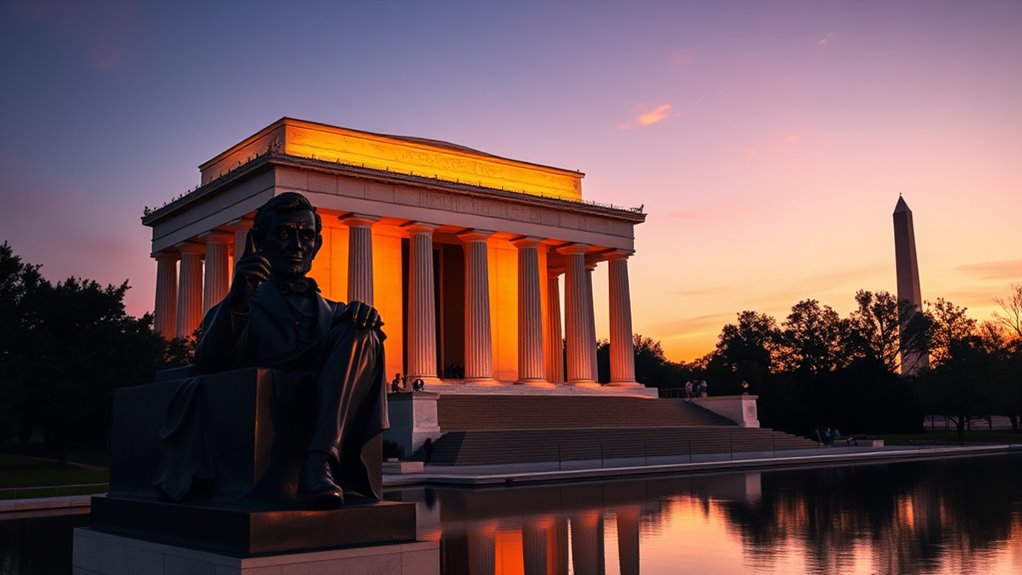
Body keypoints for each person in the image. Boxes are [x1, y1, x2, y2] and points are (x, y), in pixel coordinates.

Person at [194, 192, 387, 507]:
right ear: (259, 240)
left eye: (306, 236)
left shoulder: (338, 314)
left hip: (323, 393)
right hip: (271, 395)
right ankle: (318, 467)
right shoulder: (238, 306)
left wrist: (366, 320)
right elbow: (208, 366)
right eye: (285, 233)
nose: (298, 245)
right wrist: (238, 299)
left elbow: (356, 348)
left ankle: (320, 460)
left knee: (365, 332)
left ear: (317, 245)